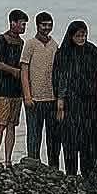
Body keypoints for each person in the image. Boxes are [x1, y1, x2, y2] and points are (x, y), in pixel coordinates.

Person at [52, 20, 97, 183]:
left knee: (90, 138)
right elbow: (59, 78)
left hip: (90, 101)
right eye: (78, 36)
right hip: (71, 101)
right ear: (71, 36)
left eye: (84, 35)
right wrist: (60, 100)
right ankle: (71, 174)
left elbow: (96, 76)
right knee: (71, 139)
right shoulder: (63, 53)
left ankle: (90, 174)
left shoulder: (92, 51)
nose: (82, 39)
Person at [20, 12, 60, 166]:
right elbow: (24, 71)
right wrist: (27, 96)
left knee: (53, 137)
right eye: (44, 25)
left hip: (52, 98)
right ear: (37, 26)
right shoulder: (30, 44)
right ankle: (33, 165)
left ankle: (53, 168)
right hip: (34, 99)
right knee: (34, 135)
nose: (47, 28)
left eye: (49, 25)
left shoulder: (54, 44)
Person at [0, 9, 27, 166]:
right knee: (0, 125)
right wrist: (14, 71)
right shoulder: (2, 39)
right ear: (13, 23)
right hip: (2, 89)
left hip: (17, 90)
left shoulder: (21, 43)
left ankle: (8, 159)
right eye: (22, 24)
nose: (24, 27)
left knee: (12, 125)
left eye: (25, 24)